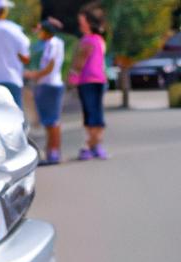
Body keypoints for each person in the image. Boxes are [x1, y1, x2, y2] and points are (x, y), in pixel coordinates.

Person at [69, 1, 108, 160]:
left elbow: (80, 61)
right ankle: (96, 146)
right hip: (100, 80)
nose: (80, 24)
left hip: (87, 81)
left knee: (90, 114)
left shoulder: (87, 41)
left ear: (88, 23)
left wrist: (72, 77)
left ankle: (89, 146)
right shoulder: (99, 39)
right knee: (97, 113)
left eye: (82, 21)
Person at [25, 18, 65, 165]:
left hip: (51, 84)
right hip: (46, 84)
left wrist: (34, 75)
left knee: (52, 121)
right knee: (49, 121)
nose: (39, 33)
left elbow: (50, 66)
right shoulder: (49, 44)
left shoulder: (54, 43)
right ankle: (50, 151)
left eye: (41, 30)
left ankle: (54, 152)